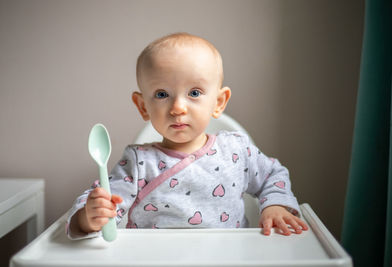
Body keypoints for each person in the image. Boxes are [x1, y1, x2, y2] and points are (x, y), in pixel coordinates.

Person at [66, 32, 308, 239]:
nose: (178, 107)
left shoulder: (236, 151)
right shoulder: (138, 163)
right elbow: (105, 200)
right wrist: (90, 216)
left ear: (219, 101)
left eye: (194, 92)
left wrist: (275, 205)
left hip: (227, 258)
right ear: (142, 106)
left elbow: (272, 176)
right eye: (162, 94)